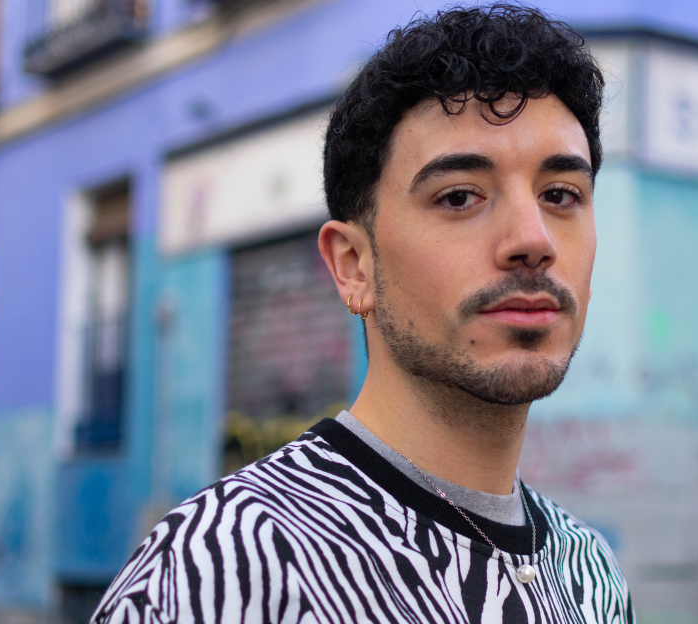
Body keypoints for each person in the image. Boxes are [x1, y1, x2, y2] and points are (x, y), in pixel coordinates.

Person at [92, 4, 634, 622]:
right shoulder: (226, 567)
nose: (533, 238)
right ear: (353, 265)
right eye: (460, 197)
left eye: (561, 195)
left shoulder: (590, 573)